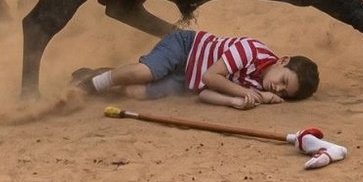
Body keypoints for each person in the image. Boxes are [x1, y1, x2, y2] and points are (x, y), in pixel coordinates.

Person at [74, 29, 319, 109]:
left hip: (187, 81)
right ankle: (89, 85)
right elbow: (210, 76)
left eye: (284, 92)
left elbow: (204, 93)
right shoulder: (251, 50)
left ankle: (98, 75)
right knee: (145, 73)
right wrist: (244, 93)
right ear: (282, 61)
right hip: (186, 48)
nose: (277, 88)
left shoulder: (258, 87)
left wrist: (234, 102)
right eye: (284, 81)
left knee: (134, 93)